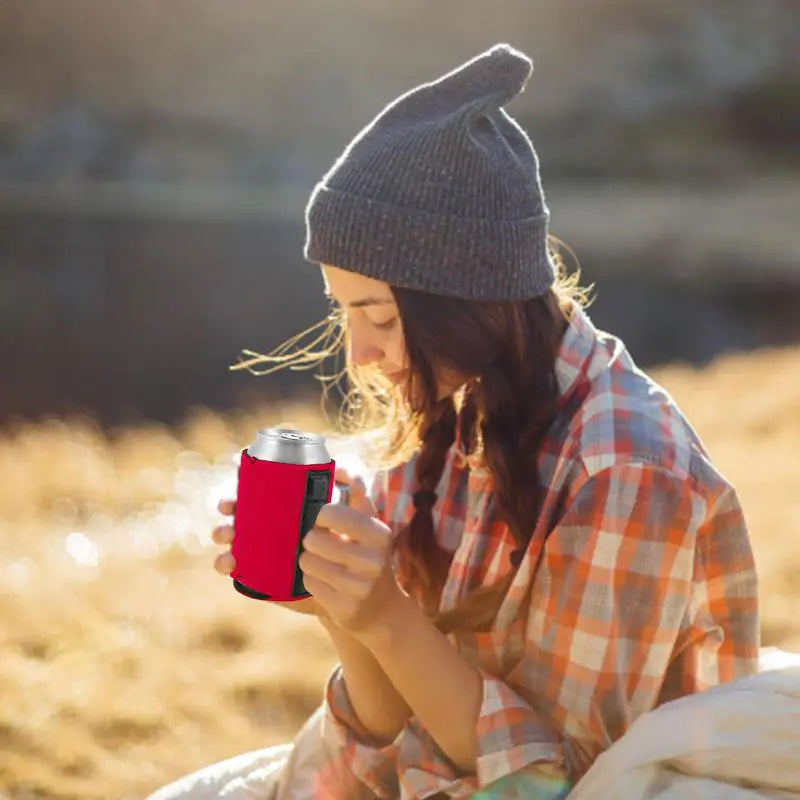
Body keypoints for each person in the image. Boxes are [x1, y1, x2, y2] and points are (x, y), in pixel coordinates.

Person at [147, 43, 760, 799]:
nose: (360, 354)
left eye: (378, 315)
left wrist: (390, 618)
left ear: (470, 299)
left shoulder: (627, 469)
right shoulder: (461, 406)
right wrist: (342, 607)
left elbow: (557, 784)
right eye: (343, 312)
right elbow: (384, 726)